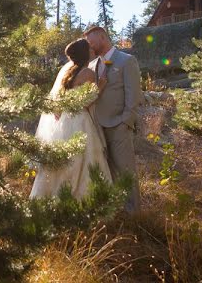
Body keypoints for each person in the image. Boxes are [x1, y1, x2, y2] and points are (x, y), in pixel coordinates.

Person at [29, 38, 112, 199]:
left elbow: (58, 104)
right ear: (84, 53)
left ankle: (51, 195)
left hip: (65, 121)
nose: (92, 50)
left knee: (67, 160)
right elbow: (86, 102)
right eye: (89, 48)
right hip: (80, 120)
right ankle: (81, 197)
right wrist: (100, 87)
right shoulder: (87, 73)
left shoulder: (67, 72)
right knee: (84, 159)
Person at [84, 25, 142, 213]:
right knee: (107, 171)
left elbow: (133, 94)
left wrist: (126, 122)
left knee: (126, 172)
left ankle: (133, 214)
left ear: (102, 37)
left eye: (91, 42)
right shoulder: (92, 66)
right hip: (97, 128)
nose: (90, 46)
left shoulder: (126, 61)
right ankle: (117, 211)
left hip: (119, 126)